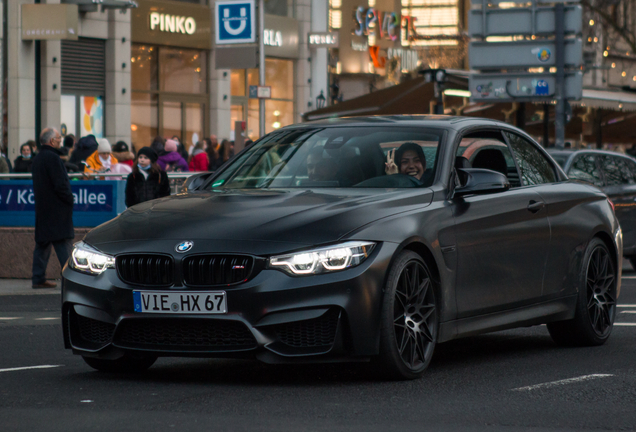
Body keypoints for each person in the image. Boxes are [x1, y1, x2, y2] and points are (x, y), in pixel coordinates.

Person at [31, 128, 74, 289]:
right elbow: (61, 184)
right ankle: (72, 279)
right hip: (57, 209)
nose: (60, 140)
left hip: (43, 208)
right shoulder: (53, 158)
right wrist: (69, 199)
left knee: (42, 244)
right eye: (58, 138)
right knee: (62, 244)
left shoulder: (38, 159)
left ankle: (38, 277)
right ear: (51, 141)